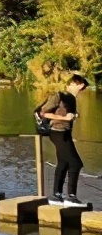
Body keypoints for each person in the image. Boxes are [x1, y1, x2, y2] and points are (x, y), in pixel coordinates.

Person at [37, 74, 90, 207]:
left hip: (65, 134)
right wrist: (65, 118)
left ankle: (56, 196)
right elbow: (42, 113)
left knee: (63, 163)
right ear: (73, 83)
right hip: (57, 133)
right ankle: (71, 197)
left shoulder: (72, 99)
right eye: (81, 87)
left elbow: (66, 113)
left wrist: (73, 116)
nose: (81, 90)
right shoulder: (60, 95)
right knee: (76, 163)